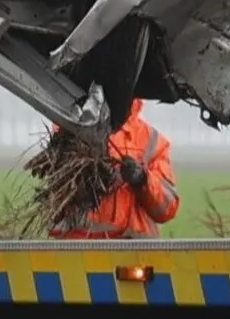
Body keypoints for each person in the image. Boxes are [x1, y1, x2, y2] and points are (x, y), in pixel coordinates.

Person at [49, 98, 180, 239]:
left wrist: (143, 180)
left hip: (134, 253)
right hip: (80, 252)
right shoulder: (69, 131)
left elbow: (167, 210)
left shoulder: (152, 140)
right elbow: (59, 192)